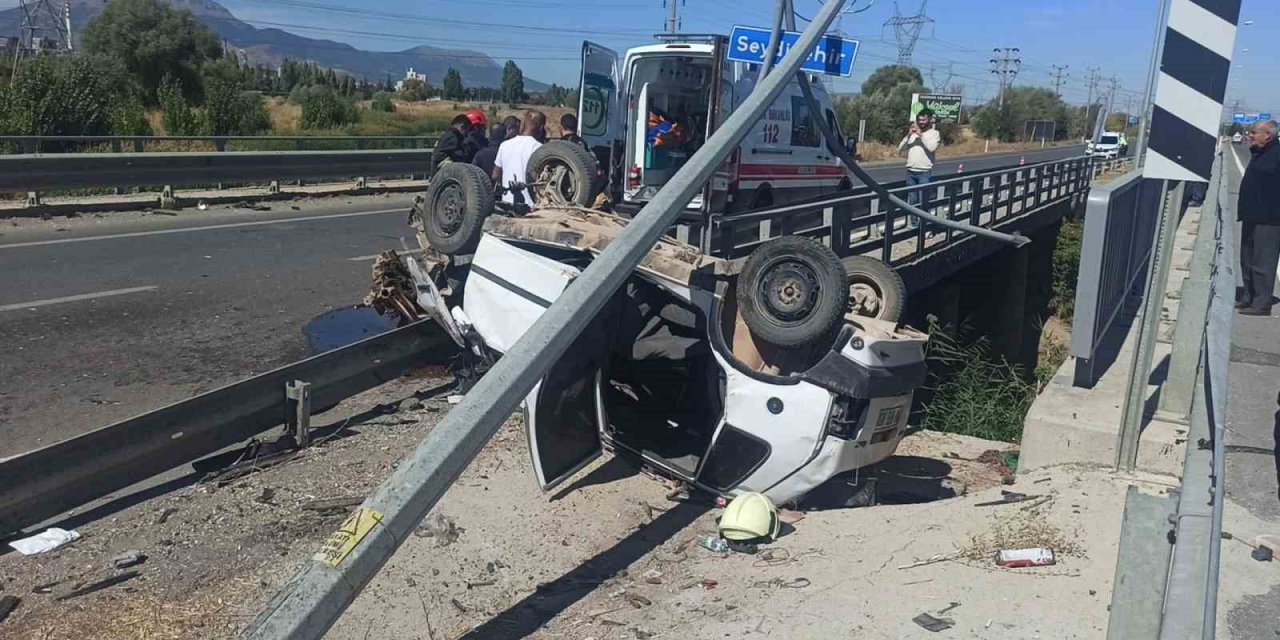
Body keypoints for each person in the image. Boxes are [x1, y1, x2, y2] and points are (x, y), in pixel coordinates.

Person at [1237, 119, 1280, 316]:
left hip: (1270, 218)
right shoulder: (1259, 153)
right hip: (1251, 215)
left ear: (1267, 135)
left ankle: (1261, 303)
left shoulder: (1276, 155)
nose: (1250, 135)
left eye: (1254, 132)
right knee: (1246, 258)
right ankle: (1248, 296)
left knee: (1263, 261)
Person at [493, 110, 546, 208]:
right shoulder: (540, 149)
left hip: (507, 204)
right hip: (531, 207)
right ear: (541, 128)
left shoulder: (504, 145)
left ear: (523, 124)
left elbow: (495, 175)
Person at [898, 108, 941, 229]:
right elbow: (900, 149)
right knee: (912, 200)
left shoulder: (934, 134)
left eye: (924, 119)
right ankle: (914, 224)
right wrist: (908, 135)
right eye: (919, 120)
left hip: (924, 173)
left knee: (924, 200)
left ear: (929, 120)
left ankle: (925, 225)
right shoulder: (912, 134)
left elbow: (932, 148)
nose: (921, 122)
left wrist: (921, 136)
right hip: (911, 171)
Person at [430, 114, 474, 178]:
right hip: (444, 174)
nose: (467, 134)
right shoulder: (453, 137)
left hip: (438, 173)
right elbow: (457, 155)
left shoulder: (447, 134)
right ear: (462, 127)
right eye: (467, 130)